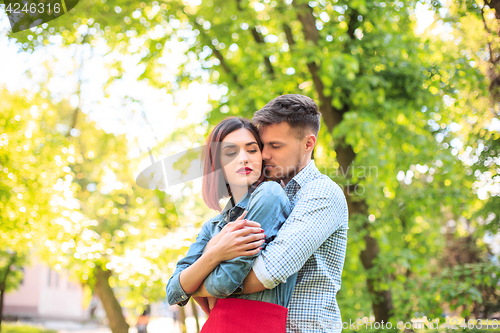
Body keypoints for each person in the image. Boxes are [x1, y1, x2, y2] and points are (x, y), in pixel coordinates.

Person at [192, 94, 349, 332]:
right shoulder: (262, 194)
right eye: (263, 145)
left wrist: (195, 284)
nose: (264, 154)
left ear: (309, 143)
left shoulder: (321, 194)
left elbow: (267, 273)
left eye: (275, 146)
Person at [166, 117, 297, 333]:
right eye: (230, 153)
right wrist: (214, 252)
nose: (243, 158)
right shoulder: (213, 226)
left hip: (256, 325)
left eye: (252, 150)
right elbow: (173, 291)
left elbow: (224, 284)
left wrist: (194, 284)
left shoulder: (269, 195)